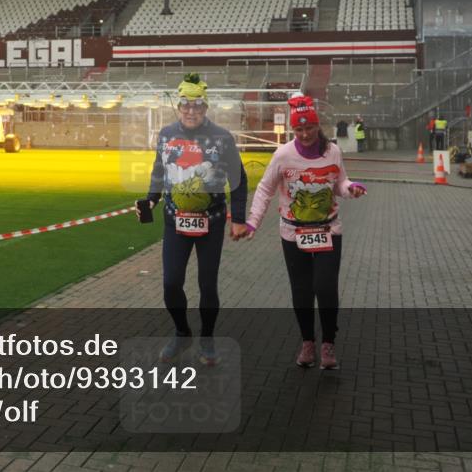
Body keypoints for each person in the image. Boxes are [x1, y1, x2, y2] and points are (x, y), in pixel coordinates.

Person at [236, 94, 367, 370]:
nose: (305, 134)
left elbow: (339, 181)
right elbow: (264, 189)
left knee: (325, 287)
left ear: (317, 126)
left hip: (328, 229)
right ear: (293, 130)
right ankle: (308, 342)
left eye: (309, 128)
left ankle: (328, 343)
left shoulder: (332, 151)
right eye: (299, 129)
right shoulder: (283, 155)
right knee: (302, 291)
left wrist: (350, 188)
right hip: (293, 233)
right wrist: (252, 222)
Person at [137, 73, 247, 366]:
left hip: (210, 222)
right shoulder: (166, 134)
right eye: (185, 105)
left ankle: (207, 339)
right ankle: (182, 331)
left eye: (197, 106)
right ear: (179, 107)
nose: (191, 111)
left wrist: (238, 218)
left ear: (205, 108)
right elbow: (159, 171)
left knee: (207, 285)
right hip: (175, 221)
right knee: (171, 283)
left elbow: (238, 180)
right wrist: (150, 198)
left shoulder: (222, 138)